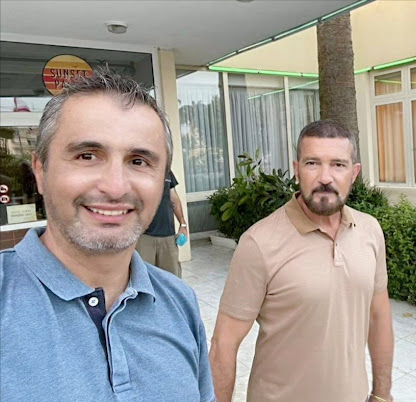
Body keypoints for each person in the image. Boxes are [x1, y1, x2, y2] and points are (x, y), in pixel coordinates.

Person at [0, 69, 214, 401]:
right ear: (40, 171)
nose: (115, 187)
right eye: (87, 156)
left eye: (139, 161)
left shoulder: (179, 301)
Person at [209, 120, 394, 402]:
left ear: (354, 173)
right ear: (296, 170)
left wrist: (382, 394)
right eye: (312, 163)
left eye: (338, 165)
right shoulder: (259, 243)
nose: (325, 177)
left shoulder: (370, 230)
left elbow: (379, 316)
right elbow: (223, 345)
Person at [135, 169, 187, 277]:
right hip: (144, 237)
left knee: (172, 278)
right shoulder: (137, 170)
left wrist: (183, 224)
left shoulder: (167, 172)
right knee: (145, 276)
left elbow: (174, 199)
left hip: (168, 236)